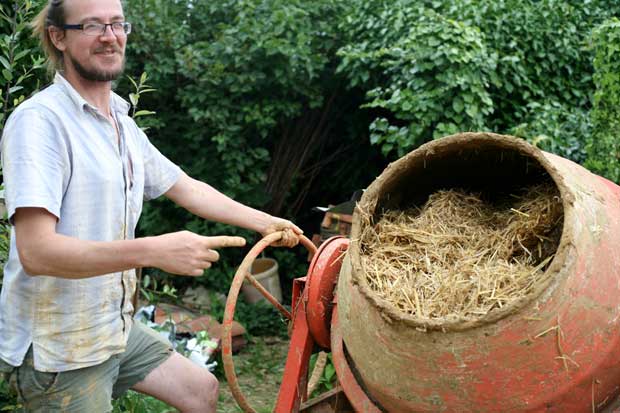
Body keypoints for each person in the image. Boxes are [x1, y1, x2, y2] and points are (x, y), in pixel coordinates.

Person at [0, 0, 301, 411]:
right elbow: (36, 252)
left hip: (111, 328)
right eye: (91, 25)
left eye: (117, 23)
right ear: (59, 37)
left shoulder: (120, 123)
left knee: (201, 391)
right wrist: (156, 251)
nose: (110, 36)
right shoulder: (40, 123)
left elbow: (186, 186)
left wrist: (266, 222)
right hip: (61, 349)